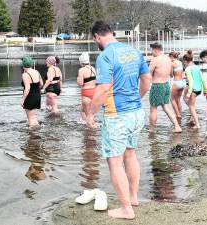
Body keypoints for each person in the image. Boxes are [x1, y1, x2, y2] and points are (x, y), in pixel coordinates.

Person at [86, 21, 151, 220]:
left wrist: (90, 113)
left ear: (97, 36)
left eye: (94, 38)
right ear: (111, 33)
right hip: (136, 113)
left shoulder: (106, 56)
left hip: (116, 116)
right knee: (130, 155)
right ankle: (132, 198)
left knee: (114, 162)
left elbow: (103, 89)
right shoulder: (133, 51)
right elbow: (147, 80)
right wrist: (136, 99)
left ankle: (126, 209)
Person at [149, 43, 182, 133]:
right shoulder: (168, 59)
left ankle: (151, 130)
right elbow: (171, 74)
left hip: (157, 86)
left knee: (153, 109)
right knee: (166, 107)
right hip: (166, 85)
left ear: (155, 50)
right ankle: (177, 126)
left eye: (151, 50)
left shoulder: (154, 60)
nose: (151, 52)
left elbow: (149, 75)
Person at [183, 50, 207, 129]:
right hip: (199, 90)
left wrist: (189, 93)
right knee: (191, 105)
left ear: (185, 61)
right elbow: (203, 79)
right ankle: (193, 117)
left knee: (191, 107)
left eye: (184, 62)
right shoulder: (197, 67)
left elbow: (191, 81)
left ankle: (197, 124)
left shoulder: (187, 69)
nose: (184, 64)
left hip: (193, 90)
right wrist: (205, 90)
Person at [20, 56, 43, 129]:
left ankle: (32, 137)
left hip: (30, 97)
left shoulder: (25, 75)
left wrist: (22, 100)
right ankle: (37, 130)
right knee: (33, 116)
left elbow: (27, 88)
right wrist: (36, 92)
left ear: (23, 65)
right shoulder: (36, 72)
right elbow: (41, 84)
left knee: (30, 118)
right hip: (37, 96)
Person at [77, 52, 96, 123]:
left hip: (86, 93)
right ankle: (88, 124)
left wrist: (78, 80)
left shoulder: (81, 70)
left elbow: (81, 83)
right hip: (94, 92)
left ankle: (91, 129)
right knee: (82, 110)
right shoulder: (93, 68)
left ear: (81, 62)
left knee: (88, 115)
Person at [169, 52, 185, 118]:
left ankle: (177, 114)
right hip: (182, 83)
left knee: (172, 99)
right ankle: (180, 113)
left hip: (176, 83)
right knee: (178, 99)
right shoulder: (180, 62)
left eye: (169, 57)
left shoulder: (172, 64)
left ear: (171, 57)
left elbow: (171, 75)